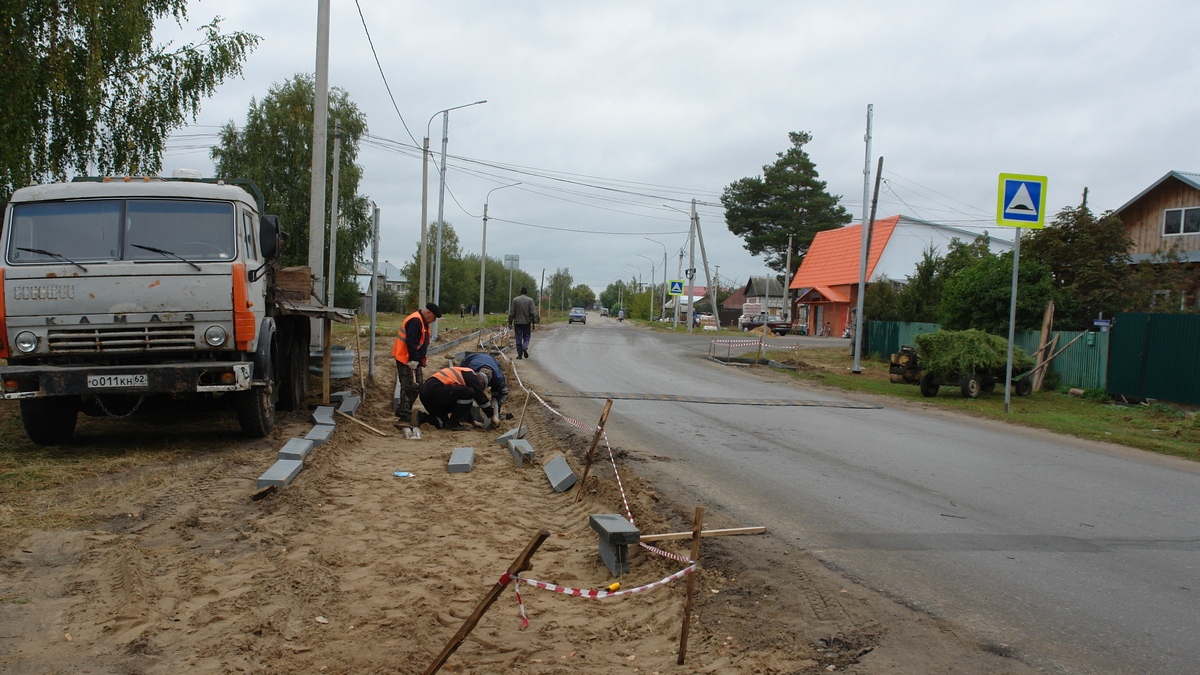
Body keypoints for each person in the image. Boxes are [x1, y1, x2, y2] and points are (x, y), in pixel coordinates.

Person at [392, 302, 441, 423]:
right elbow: (411, 342)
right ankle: (404, 413)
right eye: (433, 318)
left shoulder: (423, 322)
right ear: (428, 312)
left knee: (417, 385)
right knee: (408, 386)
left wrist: (419, 360)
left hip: (413, 359)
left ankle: (403, 408)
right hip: (406, 359)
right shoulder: (415, 321)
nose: (433, 321)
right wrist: (413, 359)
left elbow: (421, 344)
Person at [418, 365, 494, 430]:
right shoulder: (472, 375)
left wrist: (472, 421)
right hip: (435, 390)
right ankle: (454, 424)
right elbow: (480, 397)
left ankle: (421, 417)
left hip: (426, 394)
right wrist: (492, 415)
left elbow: (463, 405)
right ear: (481, 380)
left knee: (443, 423)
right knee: (469, 392)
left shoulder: (462, 375)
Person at [458, 351, 509, 424]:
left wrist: (496, 405)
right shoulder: (470, 371)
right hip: (475, 358)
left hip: (491, 360)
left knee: (497, 392)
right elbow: (460, 372)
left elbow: (504, 391)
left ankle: (495, 412)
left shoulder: (498, 378)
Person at [508, 286, 539, 359]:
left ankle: (519, 355)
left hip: (517, 322)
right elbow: (532, 312)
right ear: (526, 292)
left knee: (518, 338)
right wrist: (534, 322)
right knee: (527, 336)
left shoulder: (515, 300)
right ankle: (524, 346)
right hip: (526, 322)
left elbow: (512, 312)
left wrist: (510, 322)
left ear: (520, 292)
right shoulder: (530, 300)